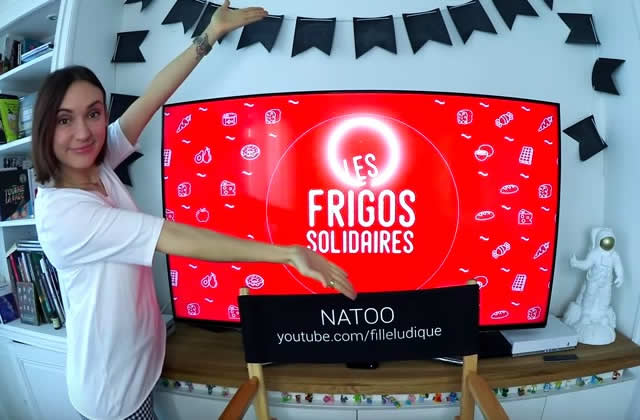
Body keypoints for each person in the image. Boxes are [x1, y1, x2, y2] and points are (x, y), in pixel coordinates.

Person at [31, 2, 356, 419]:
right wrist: (287, 253)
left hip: (141, 364)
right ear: (45, 126)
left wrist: (210, 35)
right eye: (64, 120)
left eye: (93, 114)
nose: (83, 132)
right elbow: (175, 236)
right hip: (113, 393)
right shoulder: (65, 213)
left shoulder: (96, 162)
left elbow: (153, 97)